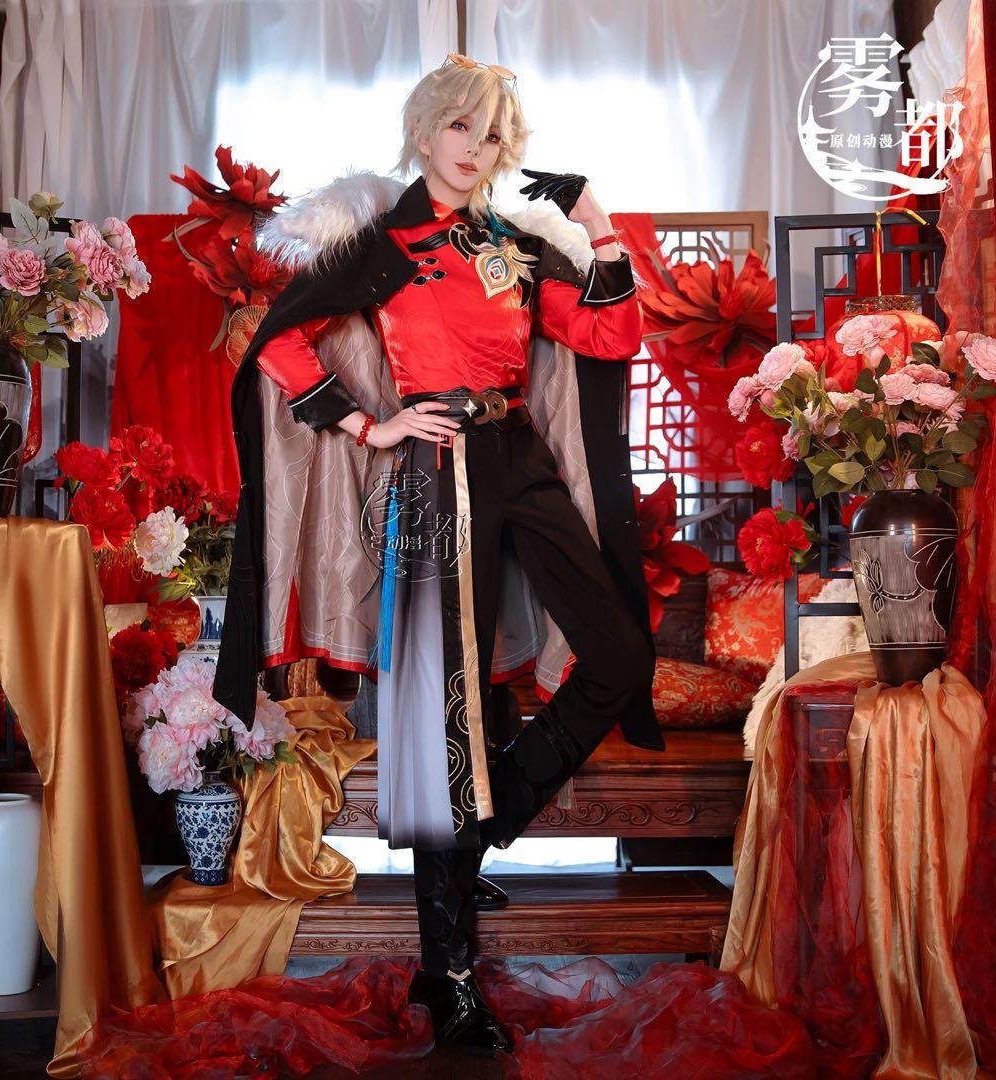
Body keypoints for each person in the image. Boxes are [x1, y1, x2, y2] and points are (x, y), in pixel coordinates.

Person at [214, 53, 662, 1054]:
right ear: (424, 133)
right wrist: (367, 425)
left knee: (619, 654)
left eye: (494, 131)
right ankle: (448, 973)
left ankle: (484, 827)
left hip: (519, 454)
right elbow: (280, 341)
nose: (478, 146)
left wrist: (595, 218)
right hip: (434, 464)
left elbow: (609, 335)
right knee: (440, 710)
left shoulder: (513, 246)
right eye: (461, 125)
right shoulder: (384, 243)